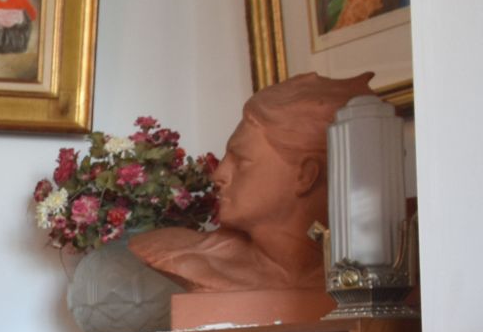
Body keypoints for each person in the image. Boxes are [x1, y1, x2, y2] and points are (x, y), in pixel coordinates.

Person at [132, 71, 372, 291]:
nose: (218, 175)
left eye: (241, 161)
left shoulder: (359, 276)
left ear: (305, 176)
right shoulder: (177, 255)